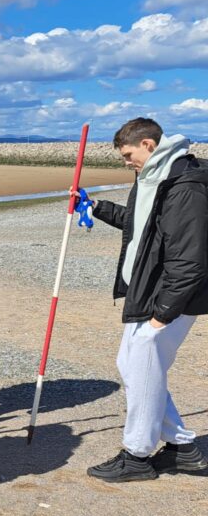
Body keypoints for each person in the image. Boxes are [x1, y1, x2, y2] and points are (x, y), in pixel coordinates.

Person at [79, 118, 208, 481]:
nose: (126, 162)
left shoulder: (183, 184)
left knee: (142, 364)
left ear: (149, 145)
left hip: (169, 297)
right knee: (132, 364)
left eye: (128, 155)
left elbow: (189, 258)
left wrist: (162, 314)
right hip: (150, 290)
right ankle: (183, 448)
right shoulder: (155, 176)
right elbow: (142, 227)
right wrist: (98, 208)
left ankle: (137, 455)